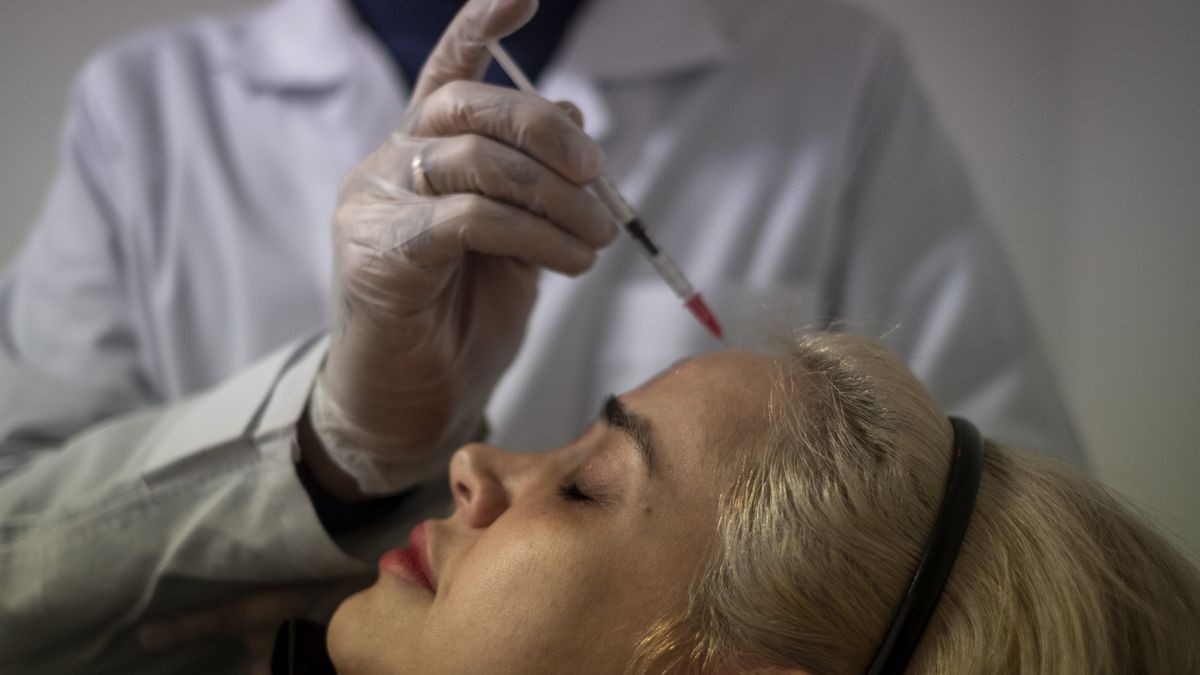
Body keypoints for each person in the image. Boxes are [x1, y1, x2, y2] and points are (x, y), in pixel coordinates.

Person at [0, 0, 1090, 671]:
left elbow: (1016, 600)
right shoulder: (143, 109)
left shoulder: (834, 74)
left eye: (586, 485)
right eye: (581, 480)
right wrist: (337, 448)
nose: (465, 462)